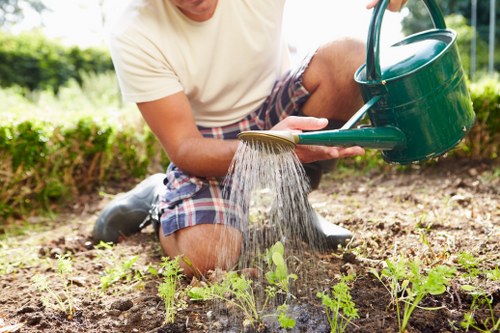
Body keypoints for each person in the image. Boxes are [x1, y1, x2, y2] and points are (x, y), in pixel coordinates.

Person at [93, 0, 407, 277]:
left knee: (349, 57)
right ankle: (163, 199)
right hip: (208, 138)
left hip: (274, 103)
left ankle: (292, 206)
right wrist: (266, 146)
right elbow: (185, 147)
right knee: (208, 258)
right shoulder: (135, 29)